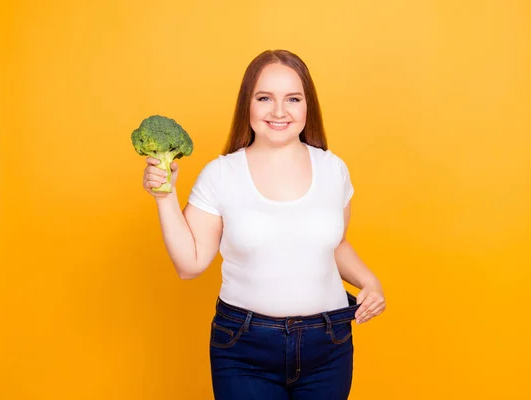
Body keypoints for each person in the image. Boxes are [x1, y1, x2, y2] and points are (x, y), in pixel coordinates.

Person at [142, 49, 386, 399]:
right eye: (265, 98)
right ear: (248, 105)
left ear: (307, 107)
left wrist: (371, 283)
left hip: (329, 344)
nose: (279, 111)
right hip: (245, 348)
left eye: (293, 99)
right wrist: (165, 198)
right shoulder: (221, 175)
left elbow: (334, 245)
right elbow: (190, 265)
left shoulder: (334, 169)